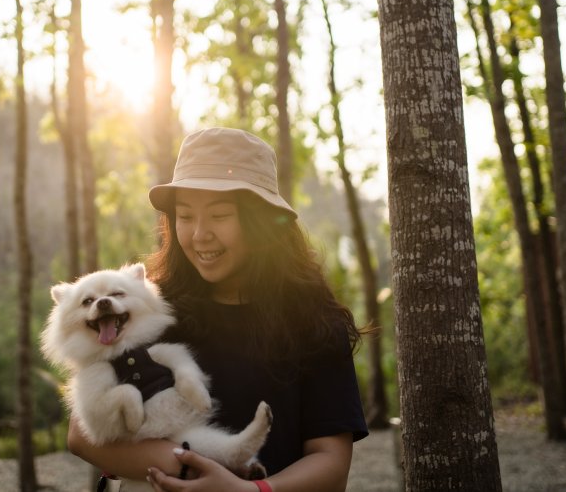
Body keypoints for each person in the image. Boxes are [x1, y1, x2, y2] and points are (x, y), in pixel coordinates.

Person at [67, 127, 368, 492]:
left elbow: (331, 463)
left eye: (220, 216)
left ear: (259, 223)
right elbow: (83, 435)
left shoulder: (314, 322)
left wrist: (247, 491)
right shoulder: (147, 313)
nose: (199, 235)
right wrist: (192, 468)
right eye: (186, 216)